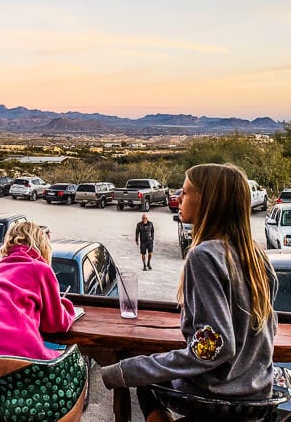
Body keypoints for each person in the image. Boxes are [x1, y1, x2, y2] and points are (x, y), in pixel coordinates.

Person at [102, 163, 277, 421]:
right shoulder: (257, 256)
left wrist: (120, 372)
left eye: (185, 192)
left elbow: (215, 346)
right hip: (258, 400)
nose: (178, 198)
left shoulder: (204, 256)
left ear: (208, 201)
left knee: (141, 372)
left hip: (215, 399)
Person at [0, 221, 77, 360]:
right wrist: (66, 306)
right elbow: (55, 324)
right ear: (42, 245)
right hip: (21, 351)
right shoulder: (41, 269)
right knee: (73, 366)